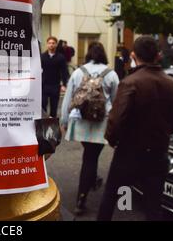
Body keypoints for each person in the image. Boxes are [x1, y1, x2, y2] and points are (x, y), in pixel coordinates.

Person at [97, 36, 173, 221]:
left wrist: (112, 140)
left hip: (129, 152)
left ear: (134, 55)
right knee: (153, 205)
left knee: (111, 197)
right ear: (158, 56)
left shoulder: (130, 82)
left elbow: (116, 120)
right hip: (158, 153)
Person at [60, 42, 120, 216]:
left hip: (81, 123)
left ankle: (91, 182)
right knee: (91, 157)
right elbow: (117, 101)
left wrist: (64, 120)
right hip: (102, 123)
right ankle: (81, 197)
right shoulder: (111, 74)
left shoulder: (79, 72)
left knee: (89, 155)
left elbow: (69, 97)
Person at [41, 37, 69, 117]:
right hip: (44, 85)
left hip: (55, 85)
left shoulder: (61, 57)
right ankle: (44, 123)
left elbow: (64, 71)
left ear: (56, 45)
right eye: (49, 43)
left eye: (53, 43)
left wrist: (64, 84)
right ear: (47, 45)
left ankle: (52, 125)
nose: (51, 45)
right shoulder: (42, 57)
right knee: (43, 106)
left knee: (54, 107)